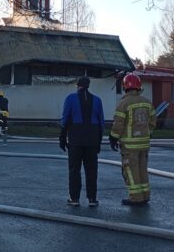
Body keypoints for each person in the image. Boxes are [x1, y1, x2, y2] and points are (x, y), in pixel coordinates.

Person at [109, 72, 157, 206]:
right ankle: (145, 195)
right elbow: (153, 121)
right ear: (138, 86)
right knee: (142, 170)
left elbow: (118, 124)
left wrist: (113, 137)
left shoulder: (123, 103)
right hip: (144, 144)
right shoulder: (147, 103)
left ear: (125, 86)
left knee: (130, 171)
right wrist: (148, 132)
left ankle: (135, 198)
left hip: (129, 146)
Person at [59, 76, 105, 207]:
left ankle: (74, 199)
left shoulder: (70, 98)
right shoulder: (97, 100)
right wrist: (99, 141)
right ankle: (92, 199)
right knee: (91, 170)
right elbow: (101, 123)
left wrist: (62, 138)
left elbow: (65, 119)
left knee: (74, 169)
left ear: (78, 86)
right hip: (92, 139)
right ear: (88, 86)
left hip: (76, 138)